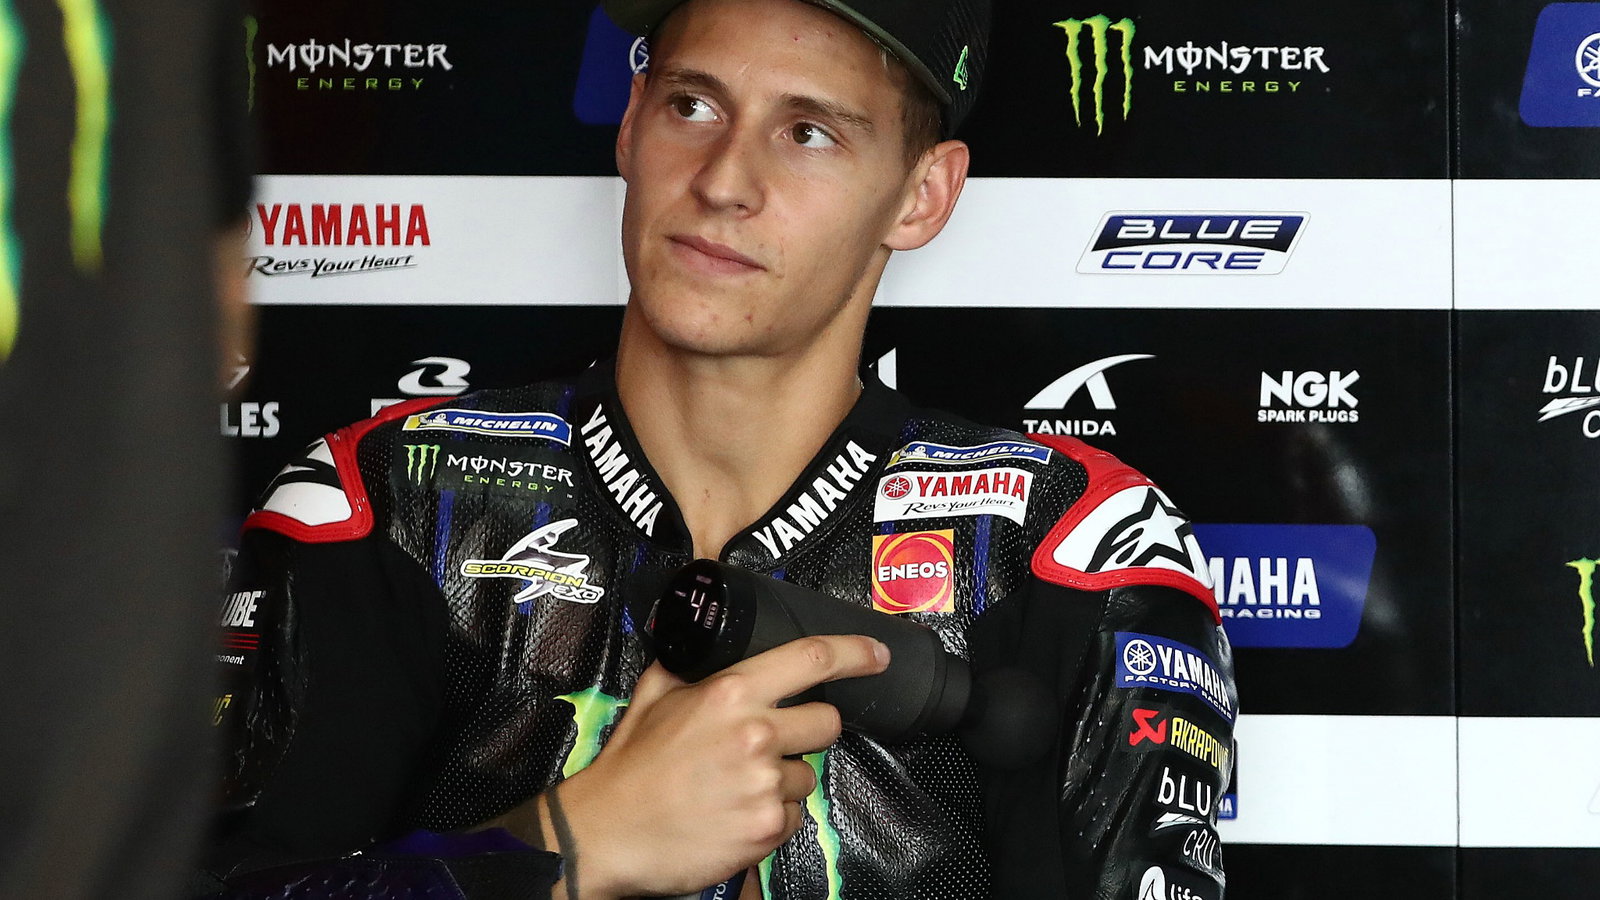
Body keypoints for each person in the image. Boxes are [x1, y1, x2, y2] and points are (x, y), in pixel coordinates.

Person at [199, 1, 1236, 898]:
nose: (725, 180)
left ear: (922, 193)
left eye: (809, 133)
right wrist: (564, 847)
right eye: (692, 106)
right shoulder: (384, 502)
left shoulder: (1062, 545)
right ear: (630, 124)